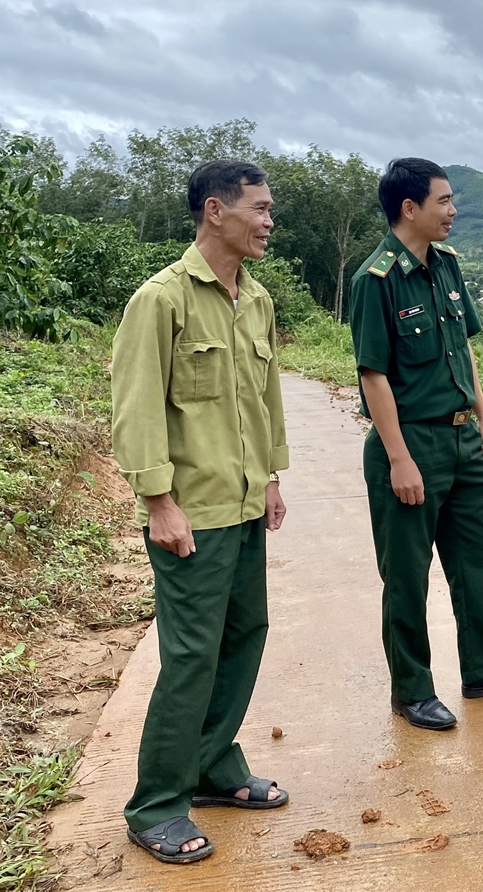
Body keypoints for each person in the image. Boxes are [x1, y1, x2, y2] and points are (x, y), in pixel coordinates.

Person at [111, 160, 291, 864]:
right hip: (192, 512)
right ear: (215, 211)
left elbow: (264, 398)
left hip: (245, 503)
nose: (269, 221)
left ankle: (215, 766)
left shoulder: (258, 299)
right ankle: (156, 803)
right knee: (190, 656)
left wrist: (271, 477)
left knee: (246, 635)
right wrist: (159, 501)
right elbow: (136, 410)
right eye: (260, 208)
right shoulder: (161, 300)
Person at [349, 157, 483, 731]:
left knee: (478, 559)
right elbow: (373, 375)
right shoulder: (375, 280)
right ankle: (412, 690)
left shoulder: (447, 267)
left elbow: (463, 350)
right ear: (409, 208)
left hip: (461, 438)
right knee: (407, 576)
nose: (453, 211)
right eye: (444, 201)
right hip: (411, 443)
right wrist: (399, 458)